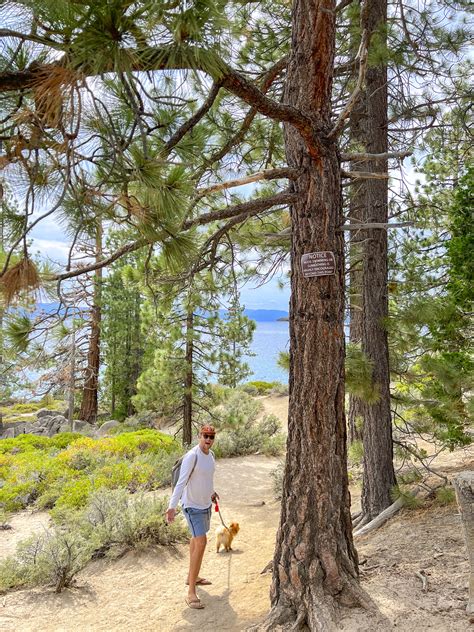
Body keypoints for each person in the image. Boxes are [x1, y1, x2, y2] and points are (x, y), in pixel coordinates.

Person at [166, 424, 218, 610]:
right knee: (202, 542)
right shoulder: (192, 456)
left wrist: (212, 493)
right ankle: (191, 592)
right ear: (199, 436)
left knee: (196, 541)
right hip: (192, 506)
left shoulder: (211, 456)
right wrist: (171, 507)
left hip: (205, 505)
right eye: (205, 436)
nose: (208, 440)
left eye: (211, 436)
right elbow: (181, 483)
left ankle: (192, 577)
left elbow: (207, 479)